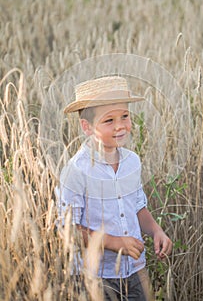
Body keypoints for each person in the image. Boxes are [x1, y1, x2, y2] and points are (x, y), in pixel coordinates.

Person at [55, 76, 173, 300]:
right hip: (97, 276)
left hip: (136, 270)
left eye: (125, 116)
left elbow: (138, 208)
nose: (120, 126)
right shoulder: (76, 171)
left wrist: (156, 231)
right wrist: (114, 242)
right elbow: (68, 228)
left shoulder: (132, 162)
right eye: (109, 120)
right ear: (87, 127)